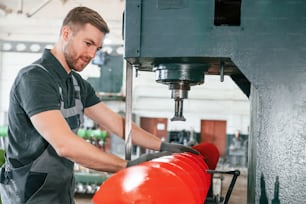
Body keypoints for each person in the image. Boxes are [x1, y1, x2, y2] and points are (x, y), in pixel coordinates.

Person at [0, 7, 198, 204]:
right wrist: (126, 165)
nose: (92, 54)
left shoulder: (77, 84)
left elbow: (118, 124)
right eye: (88, 43)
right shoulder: (35, 79)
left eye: (97, 48)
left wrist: (163, 146)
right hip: (28, 194)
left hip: (61, 190)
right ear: (66, 33)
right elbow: (64, 144)